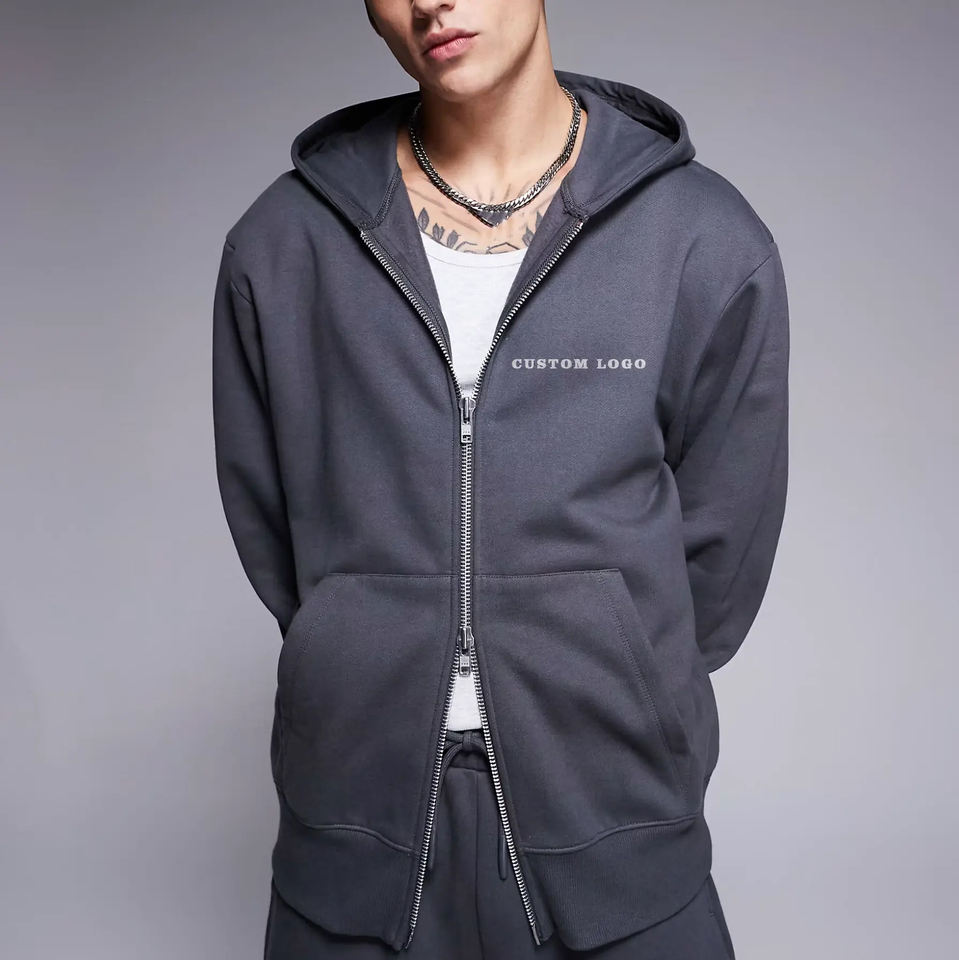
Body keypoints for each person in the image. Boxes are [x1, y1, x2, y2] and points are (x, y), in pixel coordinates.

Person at [211, 1, 790, 957]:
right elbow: (269, 518)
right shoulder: (283, 243)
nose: (430, 1)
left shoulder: (698, 236)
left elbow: (723, 543)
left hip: (615, 816)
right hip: (354, 825)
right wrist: (353, 639)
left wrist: (620, 665)